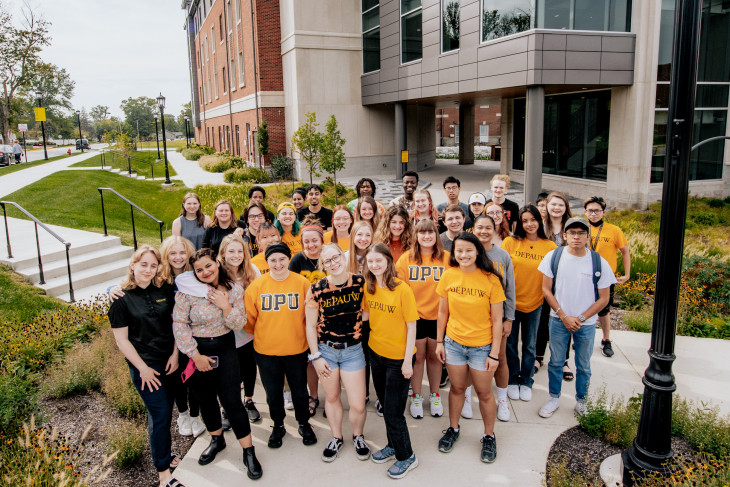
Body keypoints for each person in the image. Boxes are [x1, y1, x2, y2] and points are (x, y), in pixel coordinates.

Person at [172, 248, 261, 479]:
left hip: (225, 349)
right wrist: (195, 356)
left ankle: (248, 450)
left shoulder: (233, 290)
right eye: (199, 269)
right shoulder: (187, 293)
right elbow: (180, 325)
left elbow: (239, 322)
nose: (205, 272)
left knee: (232, 402)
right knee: (206, 401)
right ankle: (217, 440)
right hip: (197, 353)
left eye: (208, 266)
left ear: (218, 263)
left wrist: (225, 306)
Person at [109, 237, 204, 439]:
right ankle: (184, 414)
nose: (178, 257)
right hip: (171, 341)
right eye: (172, 253)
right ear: (166, 257)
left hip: (194, 335)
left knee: (194, 378)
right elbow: (135, 287)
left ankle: (195, 415)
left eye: (182, 252)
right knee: (178, 380)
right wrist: (111, 289)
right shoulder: (162, 279)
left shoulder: (196, 273)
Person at [108, 245, 185, 487]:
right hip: (146, 368)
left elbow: (177, 324)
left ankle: (166, 454)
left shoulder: (163, 288)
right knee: (161, 414)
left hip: (170, 362)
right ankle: (164, 475)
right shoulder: (121, 298)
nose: (148, 270)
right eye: (143, 265)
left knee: (163, 413)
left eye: (153, 266)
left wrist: (175, 355)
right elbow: (121, 340)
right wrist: (142, 368)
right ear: (133, 265)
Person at [435, 232, 505, 463]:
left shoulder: (491, 280)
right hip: (454, 343)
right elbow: (443, 312)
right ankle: (453, 429)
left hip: (482, 347)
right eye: (459, 251)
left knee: (484, 393)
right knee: (456, 389)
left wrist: (494, 354)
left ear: (477, 252)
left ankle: (488, 435)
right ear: (454, 253)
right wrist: (439, 342)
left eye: (468, 250)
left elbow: (497, 321)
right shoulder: (449, 275)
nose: (463, 255)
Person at [537, 217, 616, 418]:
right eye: (572, 232)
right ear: (565, 235)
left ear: (588, 236)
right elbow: (546, 290)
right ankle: (554, 397)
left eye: (581, 233)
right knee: (555, 362)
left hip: (586, 324)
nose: (576, 236)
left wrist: (580, 318)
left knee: (583, 365)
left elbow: (604, 298)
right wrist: (563, 316)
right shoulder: (554, 256)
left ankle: (581, 401)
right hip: (558, 320)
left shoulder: (599, 262)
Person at [244, 243, 318, 448]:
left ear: (288, 260)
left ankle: (304, 423)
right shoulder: (257, 287)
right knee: (273, 392)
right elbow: (249, 321)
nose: (278, 264)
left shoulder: (302, 283)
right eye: (273, 260)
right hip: (266, 351)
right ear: (267, 262)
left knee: (300, 391)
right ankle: (278, 425)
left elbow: (309, 317)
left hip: (296, 349)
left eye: (282, 259)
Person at [305, 243, 370, 462]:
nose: (333, 263)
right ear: (322, 264)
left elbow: (368, 312)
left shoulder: (360, 282)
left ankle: (358, 435)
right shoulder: (317, 288)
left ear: (343, 257)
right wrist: (316, 357)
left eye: (336, 258)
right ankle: (336, 437)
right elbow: (310, 326)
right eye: (327, 261)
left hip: (353, 351)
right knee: (332, 397)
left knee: (358, 403)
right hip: (327, 351)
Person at [363, 243, 419, 479]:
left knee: (394, 412)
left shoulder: (402, 289)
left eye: (379, 260)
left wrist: (408, 362)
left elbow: (412, 325)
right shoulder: (370, 286)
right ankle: (392, 445)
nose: (374, 265)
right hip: (376, 353)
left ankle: (407, 456)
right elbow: (366, 315)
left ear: (388, 261)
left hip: (399, 358)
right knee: (385, 406)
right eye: (370, 261)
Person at [501, 206, 557, 402]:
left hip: (535, 303)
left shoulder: (549, 247)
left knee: (530, 345)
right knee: (509, 343)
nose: (529, 224)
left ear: (539, 221)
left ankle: (526, 380)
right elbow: (501, 272)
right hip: (511, 304)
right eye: (525, 221)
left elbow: (554, 276)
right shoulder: (510, 242)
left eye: (533, 219)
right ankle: (512, 378)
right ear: (519, 223)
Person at [395, 219, 449, 419]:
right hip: (414, 317)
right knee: (417, 358)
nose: (427, 236)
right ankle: (416, 395)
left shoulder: (447, 258)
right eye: (422, 233)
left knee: (435, 357)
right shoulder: (406, 259)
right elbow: (399, 289)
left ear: (436, 235)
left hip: (438, 317)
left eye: (431, 233)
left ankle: (435, 395)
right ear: (416, 236)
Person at [473, 215, 516, 422]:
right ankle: (466, 397)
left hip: (497, 319)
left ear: (495, 229)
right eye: (479, 227)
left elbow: (510, 290)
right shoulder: (467, 252)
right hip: (472, 319)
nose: (484, 231)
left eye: (488, 227)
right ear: (473, 229)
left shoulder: (502, 256)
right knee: (470, 362)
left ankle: (502, 398)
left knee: (499, 358)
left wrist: (509, 318)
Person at [218, 234, 262, 423]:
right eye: (231, 251)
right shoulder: (216, 274)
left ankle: (249, 400)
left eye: (239, 251)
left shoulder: (252, 271)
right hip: (225, 330)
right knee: (229, 373)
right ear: (223, 253)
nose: (236, 255)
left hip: (248, 330)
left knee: (248, 367)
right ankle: (229, 406)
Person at [289, 216, 329, 415]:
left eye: (315, 240)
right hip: (306, 317)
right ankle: (313, 395)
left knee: (330, 360)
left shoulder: (328, 257)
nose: (311, 244)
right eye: (307, 241)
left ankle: (332, 397)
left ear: (322, 240)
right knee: (312, 360)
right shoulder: (297, 260)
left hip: (329, 317)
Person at [584, 196, 631, 358]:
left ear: (603, 212)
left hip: (605, 277)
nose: (593, 214)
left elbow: (625, 251)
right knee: (583, 306)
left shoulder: (614, 230)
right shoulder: (582, 228)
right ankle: (581, 336)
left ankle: (606, 339)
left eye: (597, 211)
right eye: (590, 210)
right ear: (585, 212)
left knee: (604, 310)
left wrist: (627, 274)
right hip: (584, 275)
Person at [536, 192, 574, 380]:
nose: (557, 208)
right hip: (543, 280)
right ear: (546, 206)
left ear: (566, 207)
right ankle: (538, 356)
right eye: (553, 205)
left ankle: (563, 360)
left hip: (565, 281)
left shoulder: (572, 227)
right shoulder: (540, 227)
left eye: (561, 205)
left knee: (563, 319)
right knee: (542, 319)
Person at [345, 220, 376, 407]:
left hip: (373, 317)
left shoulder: (376, 256)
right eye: (359, 235)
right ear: (353, 236)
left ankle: (377, 395)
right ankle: (361, 393)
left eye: (367, 235)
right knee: (357, 358)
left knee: (372, 357)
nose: (363, 239)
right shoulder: (345, 258)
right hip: (351, 318)